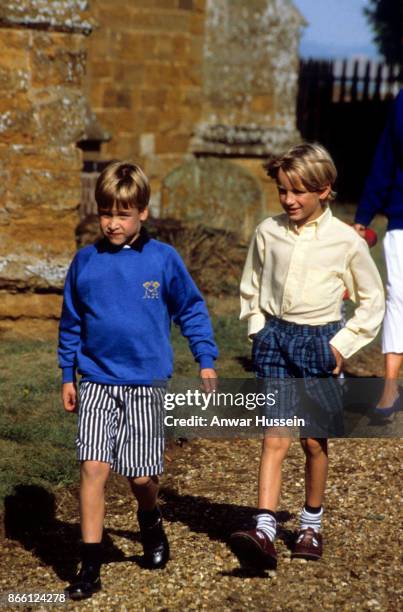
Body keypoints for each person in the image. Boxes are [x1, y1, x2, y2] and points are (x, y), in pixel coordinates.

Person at [58, 161, 218, 599]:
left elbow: (191, 309)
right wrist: (67, 374)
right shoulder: (85, 262)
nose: (112, 222)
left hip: (145, 383)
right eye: (106, 212)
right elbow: (71, 323)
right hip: (95, 380)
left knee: (141, 477)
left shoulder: (163, 260)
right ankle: (88, 567)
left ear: (143, 213)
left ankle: (150, 520)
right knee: (93, 468)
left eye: (122, 214)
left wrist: (205, 358)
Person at [230, 143, 384, 569]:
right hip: (275, 341)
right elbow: (252, 285)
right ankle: (263, 531)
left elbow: (373, 301)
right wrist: (258, 329)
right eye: (282, 190)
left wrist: (341, 345)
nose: (288, 200)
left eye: (298, 192)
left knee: (313, 440)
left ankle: (310, 524)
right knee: (275, 436)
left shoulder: (346, 243)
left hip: (320, 343)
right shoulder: (268, 232)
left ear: (325, 190)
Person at [354, 88, 403, 416]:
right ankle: (389, 386)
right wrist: (363, 218)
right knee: (398, 299)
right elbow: (386, 157)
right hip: (402, 217)